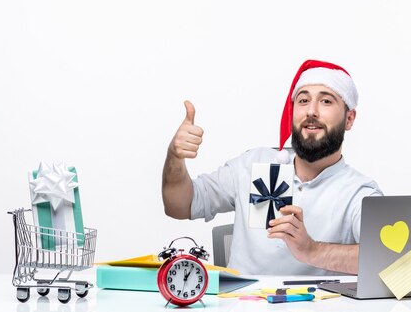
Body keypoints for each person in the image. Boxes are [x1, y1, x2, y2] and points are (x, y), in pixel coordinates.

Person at [162, 59, 382, 275]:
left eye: (326, 101)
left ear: (349, 119)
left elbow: (388, 259)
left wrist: (311, 250)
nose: (311, 111)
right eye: (303, 101)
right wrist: (174, 156)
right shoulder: (252, 164)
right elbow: (179, 206)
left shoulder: (358, 192)